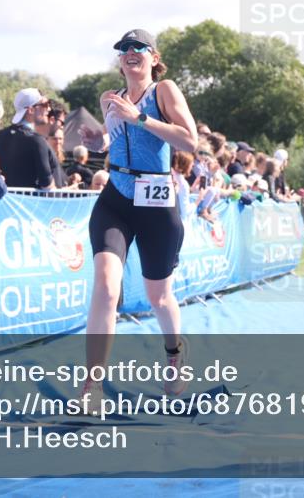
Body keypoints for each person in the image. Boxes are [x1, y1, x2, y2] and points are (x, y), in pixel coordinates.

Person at [83, 28, 198, 399]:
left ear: (153, 56)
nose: (130, 52)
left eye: (139, 47)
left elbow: (190, 141)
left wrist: (142, 119)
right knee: (105, 284)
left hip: (156, 201)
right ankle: (92, 385)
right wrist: (96, 141)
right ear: (120, 60)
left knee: (159, 298)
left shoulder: (164, 91)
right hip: (116, 197)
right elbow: (112, 139)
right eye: (123, 48)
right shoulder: (109, 99)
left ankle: (175, 355)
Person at [0, 88, 55, 190]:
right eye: (45, 105)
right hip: (31, 204)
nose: (49, 109)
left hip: (2, 203)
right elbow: (47, 185)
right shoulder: (37, 140)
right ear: (30, 110)